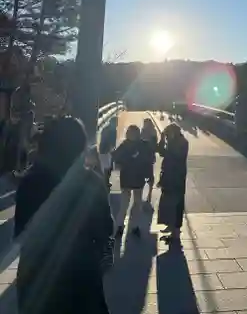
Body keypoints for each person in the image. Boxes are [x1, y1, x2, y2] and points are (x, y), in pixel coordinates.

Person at [14, 116, 114, 314]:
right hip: (79, 276)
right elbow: (105, 230)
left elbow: (20, 232)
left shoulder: (30, 182)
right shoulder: (90, 182)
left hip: (34, 278)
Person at [112, 124, 149, 238]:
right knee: (132, 205)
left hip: (130, 179)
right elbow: (148, 161)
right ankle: (132, 227)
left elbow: (116, 161)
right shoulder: (142, 145)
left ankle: (122, 227)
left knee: (128, 205)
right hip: (134, 179)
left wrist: (114, 183)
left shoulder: (124, 145)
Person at [157, 123, 188, 244]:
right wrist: (162, 139)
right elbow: (161, 152)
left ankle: (175, 232)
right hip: (168, 177)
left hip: (177, 179)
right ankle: (171, 227)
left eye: (169, 133)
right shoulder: (172, 141)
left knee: (176, 204)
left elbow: (175, 156)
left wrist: (167, 143)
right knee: (167, 203)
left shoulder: (183, 142)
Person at [141, 117, 158, 203]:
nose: (145, 125)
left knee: (149, 175)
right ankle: (145, 193)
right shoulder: (144, 131)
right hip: (144, 156)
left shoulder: (152, 132)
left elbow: (154, 144)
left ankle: (149, 192)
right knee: (143, 175)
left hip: (148, 156)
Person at [99, 116, 117, 189]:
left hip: (103, 150)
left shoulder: (106, 129)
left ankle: (105, 182)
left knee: (106, 167)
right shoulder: (112, 130)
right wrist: (112, 150)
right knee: (108, 168)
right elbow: (110, 142)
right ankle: (105, 183)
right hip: (107, 151)